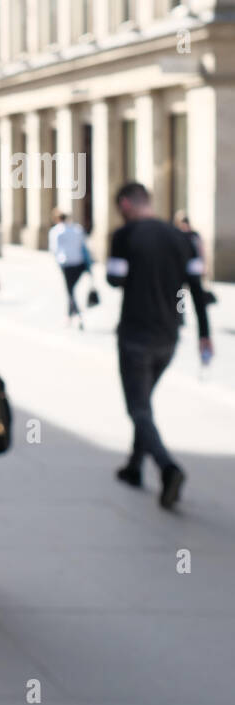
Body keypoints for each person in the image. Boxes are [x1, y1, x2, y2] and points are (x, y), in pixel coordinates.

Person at [107, 184, 213, 508]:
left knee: (138, 407)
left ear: (125, 204)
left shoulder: (125, 235)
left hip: (135, 333)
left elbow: (115, 279)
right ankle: (134, 467)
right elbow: (196, 288)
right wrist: (204, 335)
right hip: (169, 335)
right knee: (145, 403)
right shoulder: (181, 237)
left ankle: (167, 468)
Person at [48, 209, 89, 329]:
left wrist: (58, 261)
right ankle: (70, 316)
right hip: (79, 263)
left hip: (66, 264)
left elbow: (54, 249)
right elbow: (84, 246)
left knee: (70, 291)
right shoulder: (77, 229)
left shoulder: (56, 231)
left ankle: (77, 317)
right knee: (71, 290)